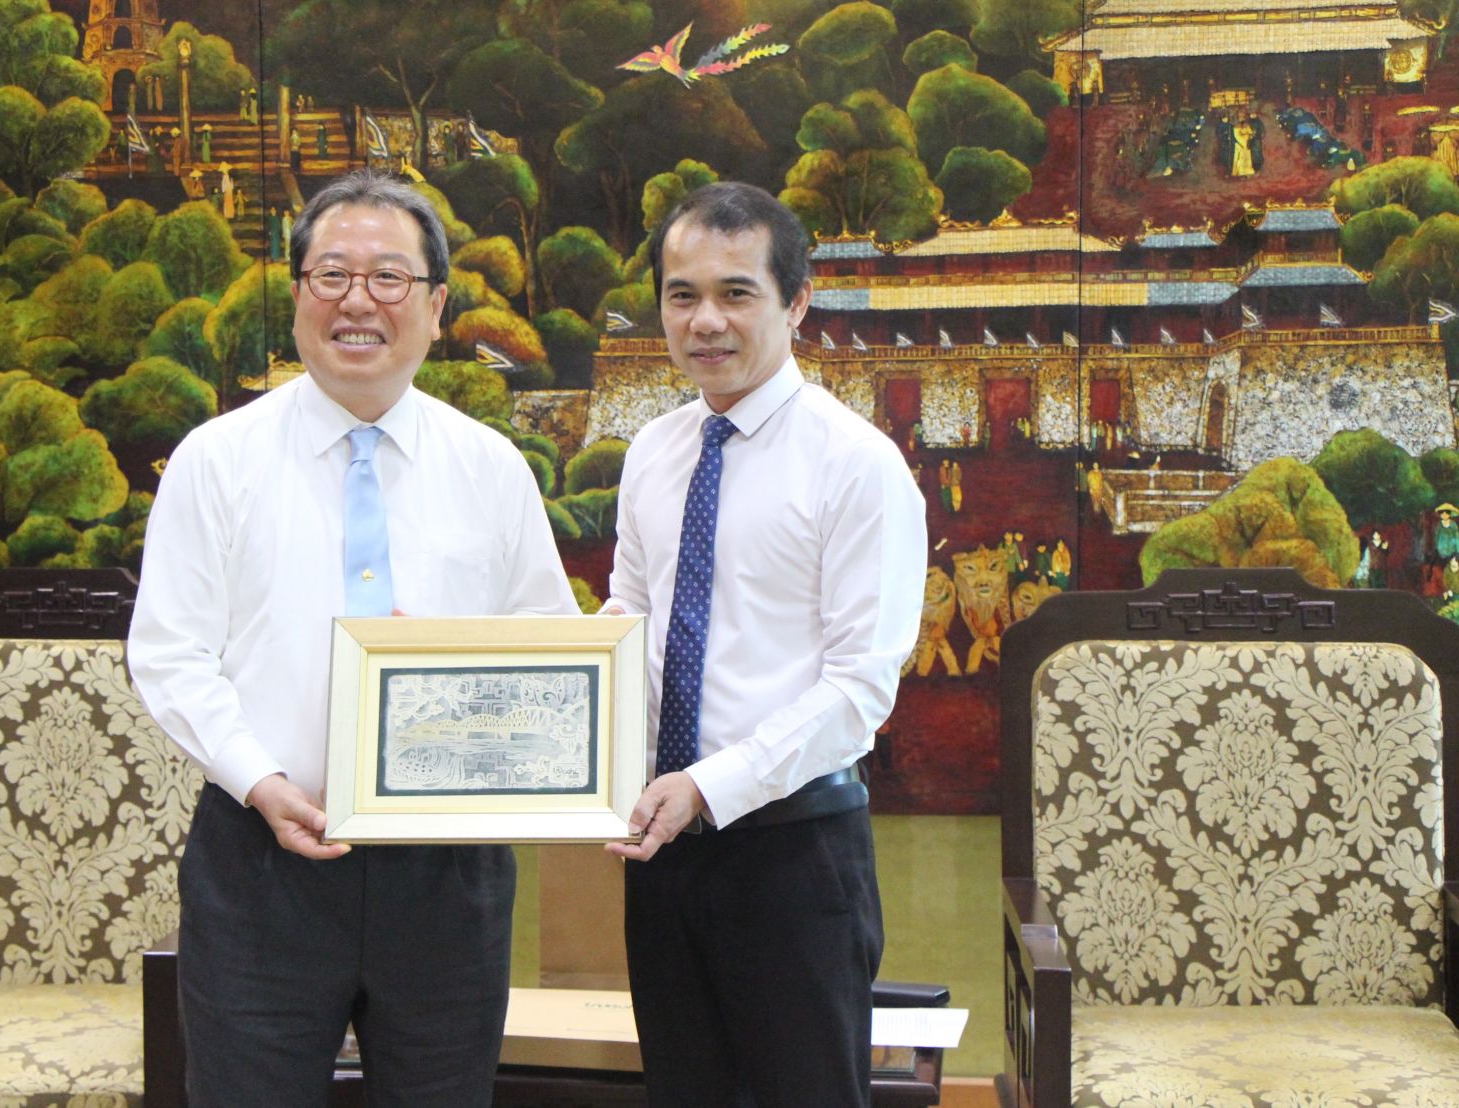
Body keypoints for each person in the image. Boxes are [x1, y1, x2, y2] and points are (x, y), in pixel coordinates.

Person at [128, 169, 577, 1108]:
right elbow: (170, 653)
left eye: (389, 278)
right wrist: (261, 780)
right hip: (262, 862)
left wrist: (460, 681)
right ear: (297, 295)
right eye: (331, 274)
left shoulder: (491, 468)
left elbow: (546, 651)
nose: (358, 301)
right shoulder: (216, 461)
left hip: (448, 871)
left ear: (436, 306)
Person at [601, 181, 928, 1106]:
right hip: (661, 853)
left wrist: (712, 785)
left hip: (794, 855)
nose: (704, 321)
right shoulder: (653, 452)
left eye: (735, 293)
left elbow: (861, 689)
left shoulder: (856, 464)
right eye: (681, 295)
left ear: (796, 302)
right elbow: (630, 614)